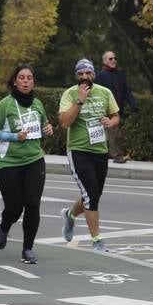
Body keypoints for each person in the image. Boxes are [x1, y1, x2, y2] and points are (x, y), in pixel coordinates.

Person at [0, 65, 54, 265]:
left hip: (34, 159)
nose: (25, 81)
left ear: (33, 82)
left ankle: (28, 249)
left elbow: (43, 128)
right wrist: (13, 136)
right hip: (8, 162)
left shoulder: (37, 104)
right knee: (14, 207)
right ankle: (5, 226)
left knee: (33, 204)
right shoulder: (5, 105)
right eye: (22, 78)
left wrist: (47, 130)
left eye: (29, 78)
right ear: (15, 81)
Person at [59, 58, 119, 252]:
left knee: (93, 195)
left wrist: (111, 122)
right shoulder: (70, 94)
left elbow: (116, 114)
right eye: (80, 74)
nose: (84, 77)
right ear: (77, 76)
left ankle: (69, 215)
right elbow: (64, 122)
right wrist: (79, 100)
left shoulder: (105, 92)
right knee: (91, 195)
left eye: (87, 73)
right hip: (78, 151)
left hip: (100, 151)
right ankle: (97, 241)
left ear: (93, 74)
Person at [95, 50, 137, 163]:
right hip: (105, 110)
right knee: (111, 132)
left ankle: (110, 153)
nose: (113, 60)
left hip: (118, 109)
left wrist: (133, 104)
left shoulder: (121, 75)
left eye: (115, 58)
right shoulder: (100, 76)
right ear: (105, 61)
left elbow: (126, 91)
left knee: (114, 133)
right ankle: (117, 155)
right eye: (110, 59)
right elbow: (97, 93)